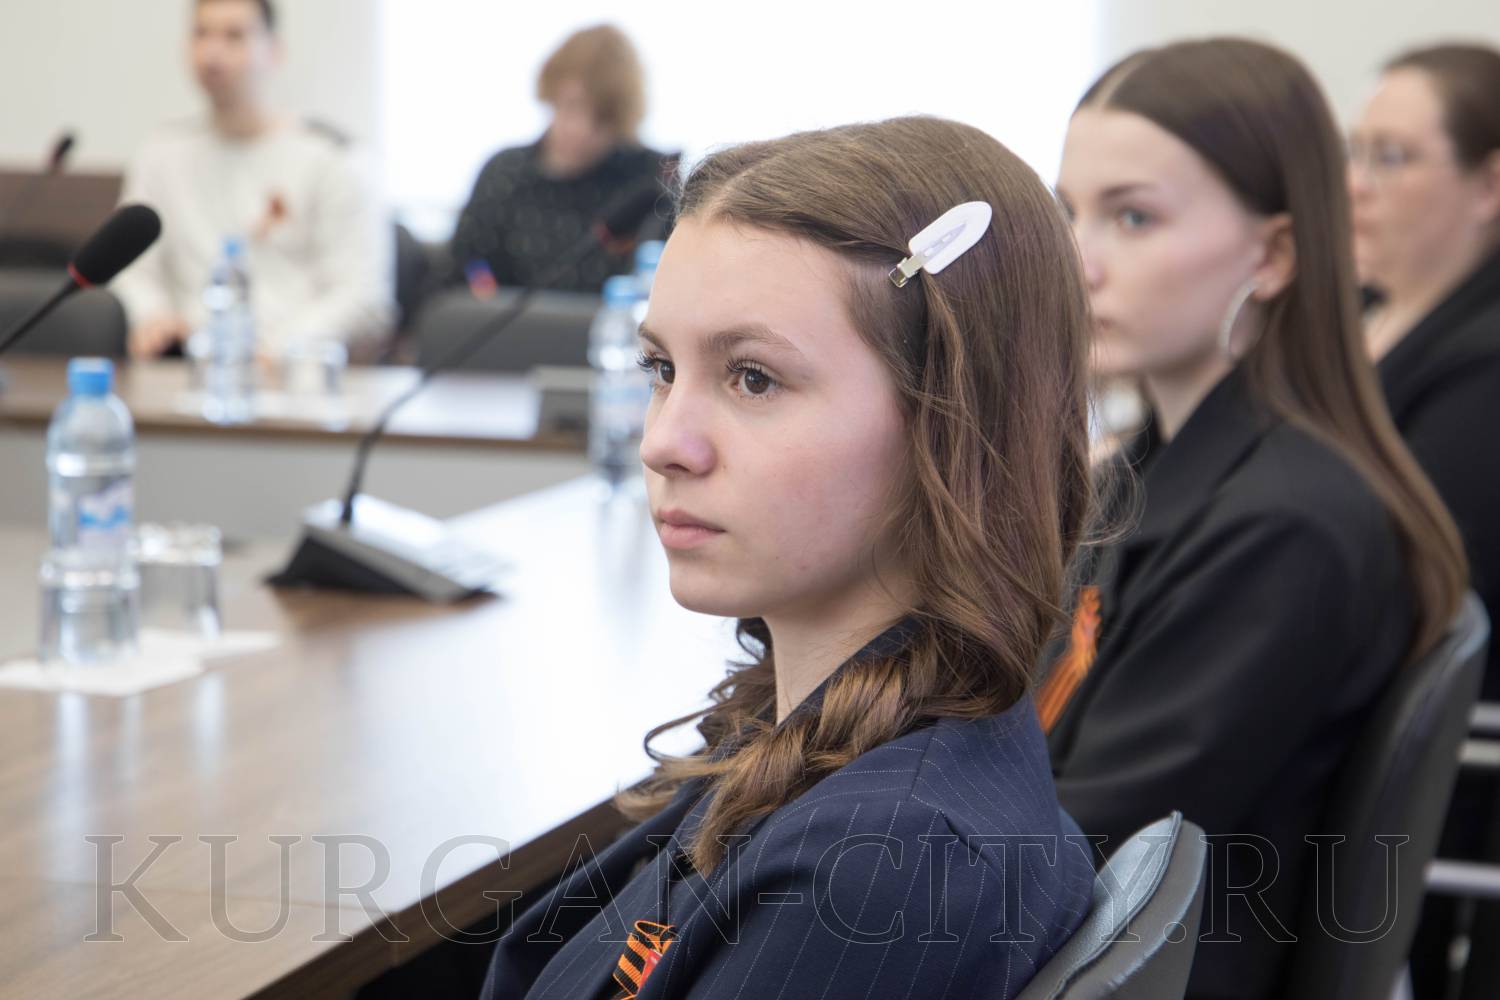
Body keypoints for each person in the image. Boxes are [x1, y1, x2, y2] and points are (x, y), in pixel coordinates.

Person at [479, 116, 1098, 999]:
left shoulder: (887, 865)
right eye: (661, 370)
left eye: (753, 378)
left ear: (949, 425)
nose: (664, 443)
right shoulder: (818, 738)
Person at [1047, 38, 1468, 1000]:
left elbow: (1088, 850)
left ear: (1273, 255)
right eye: (1070, 212)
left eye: (1133, 217)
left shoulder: (1287, 528)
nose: (1080, 262)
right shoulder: (1156, 472)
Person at [1349, 43, 1500, 998]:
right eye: (1354, 152)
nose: (1356, 185)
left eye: (1392, 157)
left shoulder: (1486, 363)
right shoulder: (1354, 314)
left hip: (1429, 767)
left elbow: (1418, 574)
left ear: (1491, 185)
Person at [112, 0, 394, 361]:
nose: (212, 53)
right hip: (188, 362)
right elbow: (135, 271)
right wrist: (152, 316)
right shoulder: (161, 153)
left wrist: (281, 347)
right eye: (201, 34)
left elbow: (363, 296)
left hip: (293, 367)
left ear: (273, 51)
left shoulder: (333, 158)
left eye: (234, 36)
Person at [449, 25, 671, 295]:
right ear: (551, 95)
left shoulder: (651, 182)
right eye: (571, 106)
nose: (580, 130)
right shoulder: (505, 175)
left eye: (600, 119)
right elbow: (462, 272)